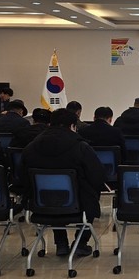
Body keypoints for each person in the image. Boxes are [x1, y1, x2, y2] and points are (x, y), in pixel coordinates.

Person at [20, 108, 106, 257]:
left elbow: (22, 177)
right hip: (78, 204)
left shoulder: (30, 147)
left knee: (54, 196)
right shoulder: (81, 147)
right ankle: (80, 243)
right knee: (89, 195)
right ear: (73, 126)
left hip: (41, 204)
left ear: (50, 124)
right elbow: (97, 176)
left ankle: (61, 243)